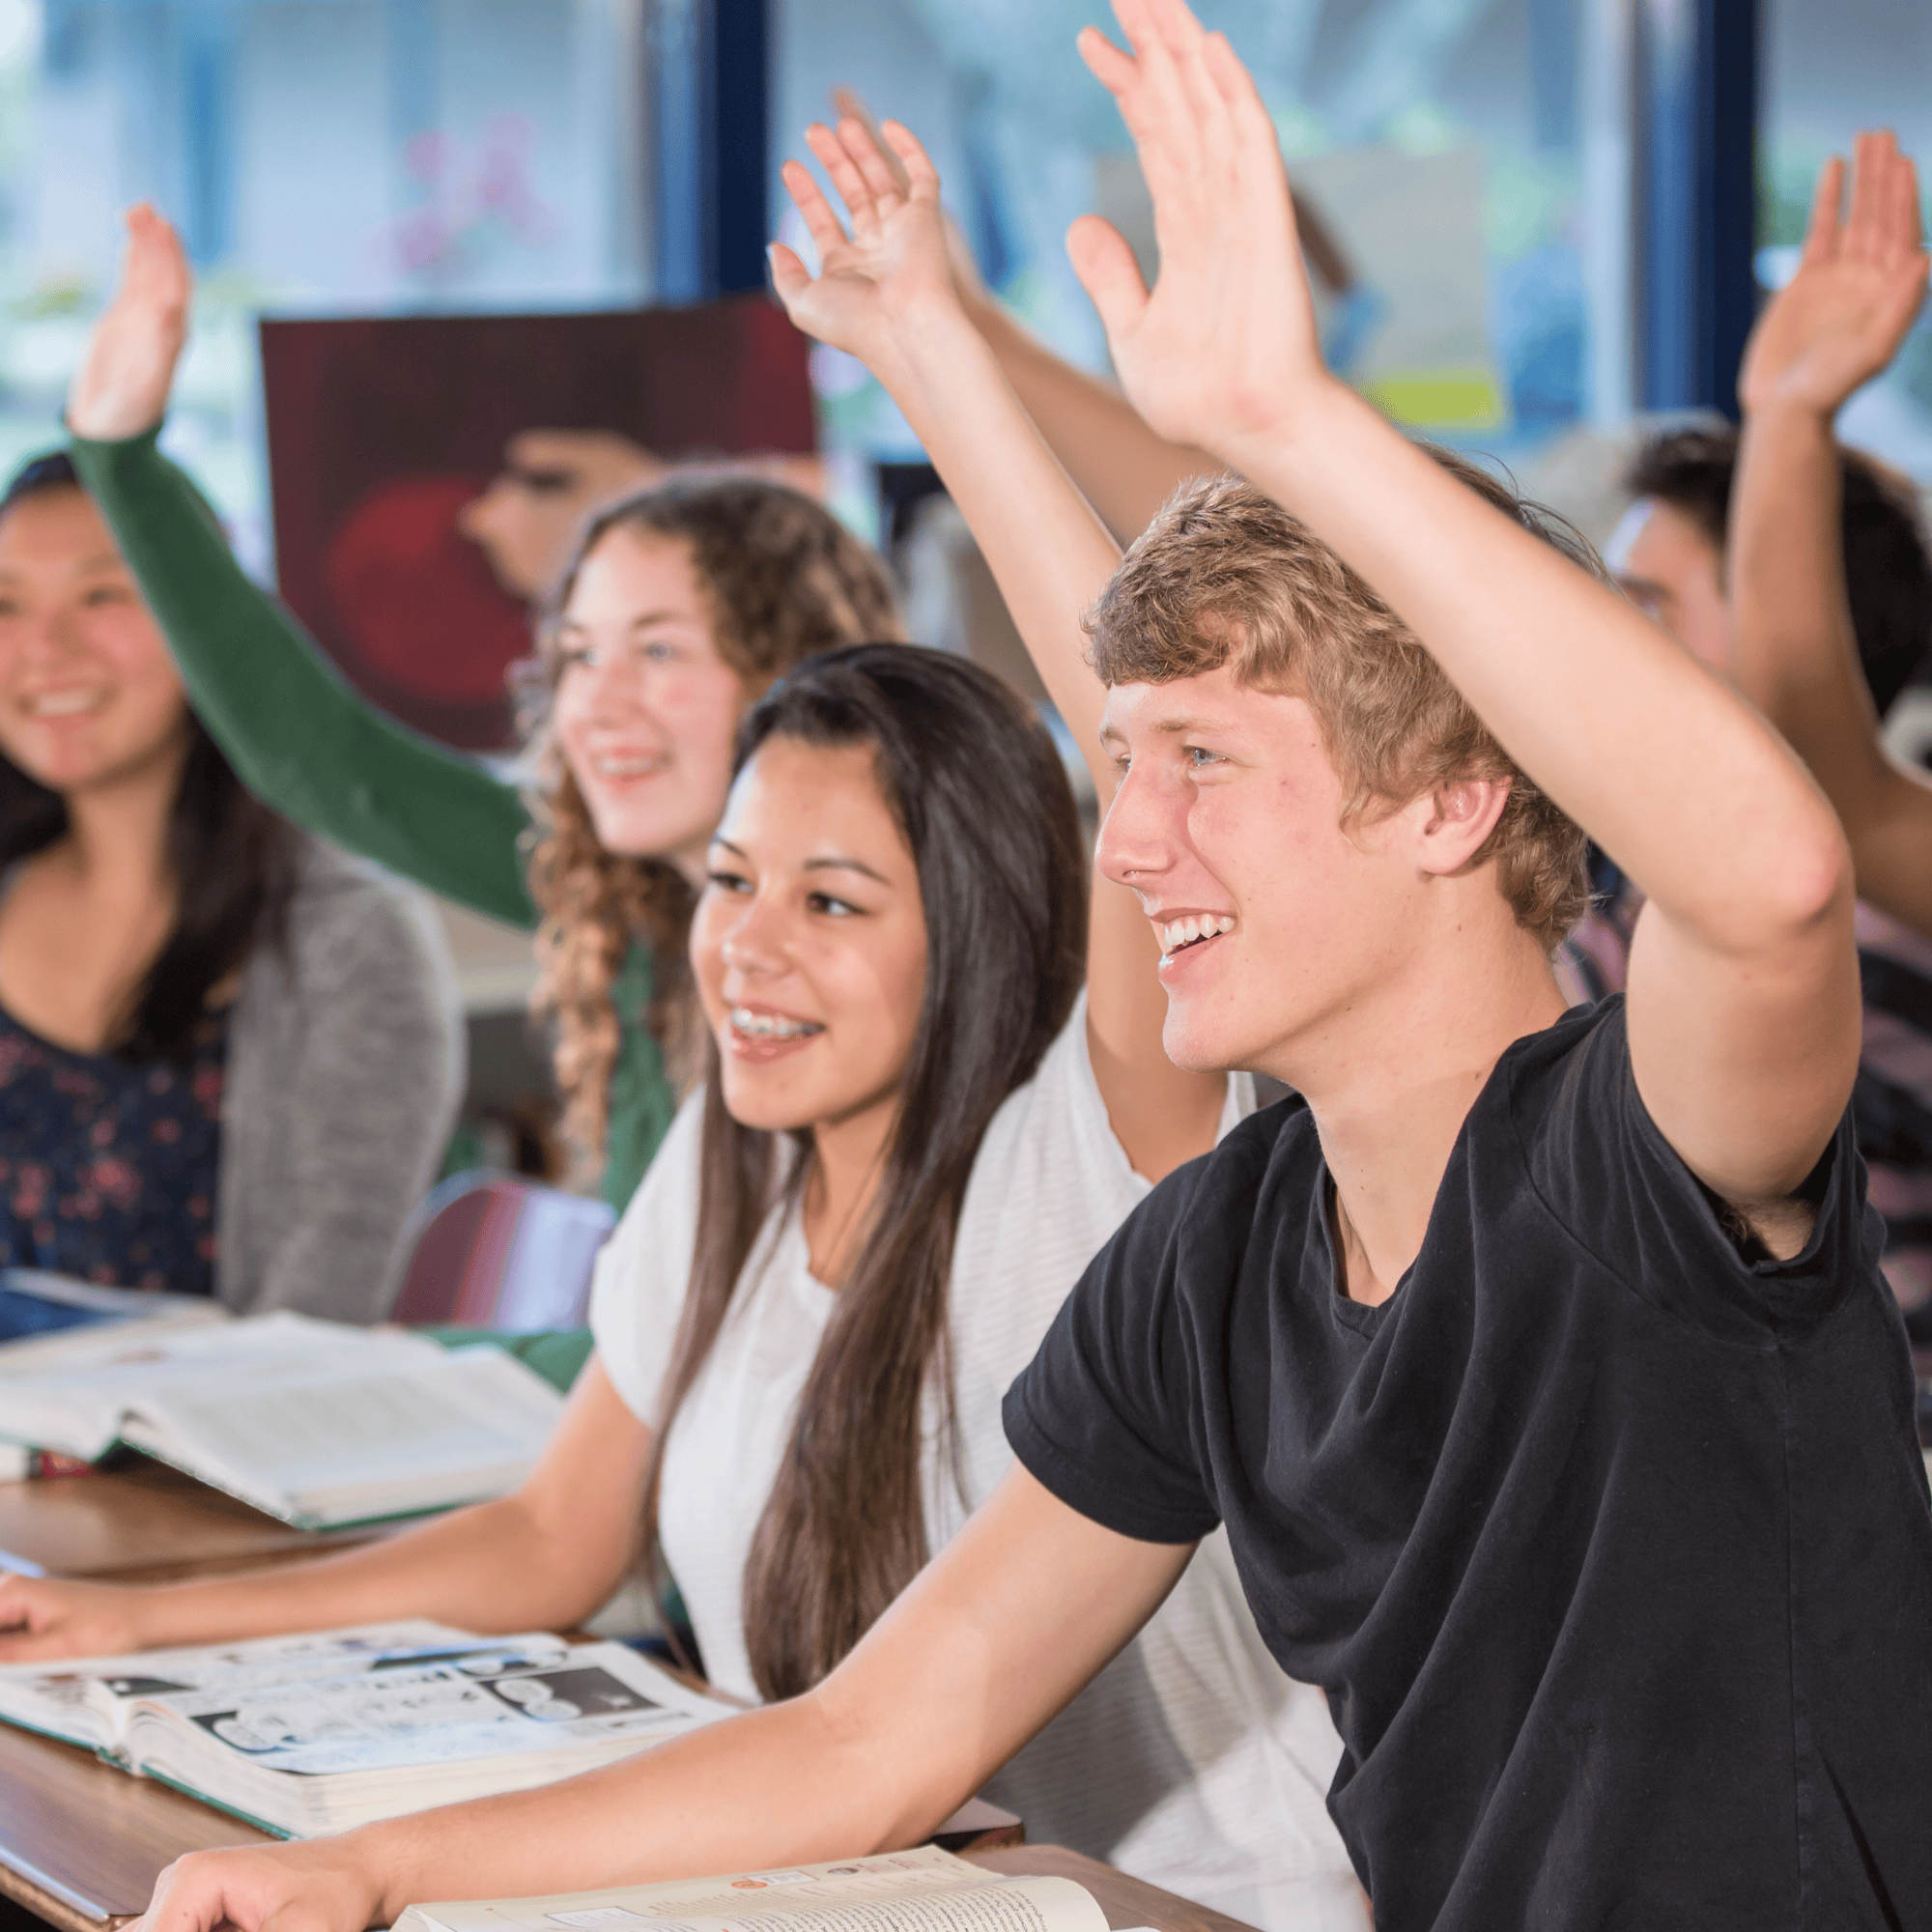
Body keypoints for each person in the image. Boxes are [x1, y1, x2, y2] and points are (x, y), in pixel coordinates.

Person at [71, 7, 1932, 1930]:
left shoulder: (1636, 1146)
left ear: (1453, 797)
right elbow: (871, 1739)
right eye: (1127, 778)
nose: (1127, 844)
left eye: (1205, 770)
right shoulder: (1220, 1252)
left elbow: (1775, 875)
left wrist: (1284, 417)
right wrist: (355, 1869)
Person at [0, 637, 1365, 1930]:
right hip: (853, 1876)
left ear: (978, 929)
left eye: (831, 900)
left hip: (1177, 1906)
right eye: (729, 881)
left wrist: (950, 377)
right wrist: (126, 1623)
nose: (747, 949)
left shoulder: (1088, 1138)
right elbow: (552, 1539)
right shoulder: (741, 1152)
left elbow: (1141, 729)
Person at [64, 209, 902, 1203]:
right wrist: (118, 453)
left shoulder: (876, 964)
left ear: (791, 673)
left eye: (660, 649)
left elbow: (710, 1355)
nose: (598, 705)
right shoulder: (625, 900)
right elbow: (327, 762)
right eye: (578, 655)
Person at [1564, 143, 1932, 1339]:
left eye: (1652, 604)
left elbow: (1816, 789)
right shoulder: (1605, 874)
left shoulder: (1858, 929)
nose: (1607, 639)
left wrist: (1787, 416)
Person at [0, 451, 462, 1316]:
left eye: (102, 596)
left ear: (210, 620)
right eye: (5, 605)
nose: (45, 649)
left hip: (211, 1445)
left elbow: (314, 1320)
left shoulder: (350, 938)